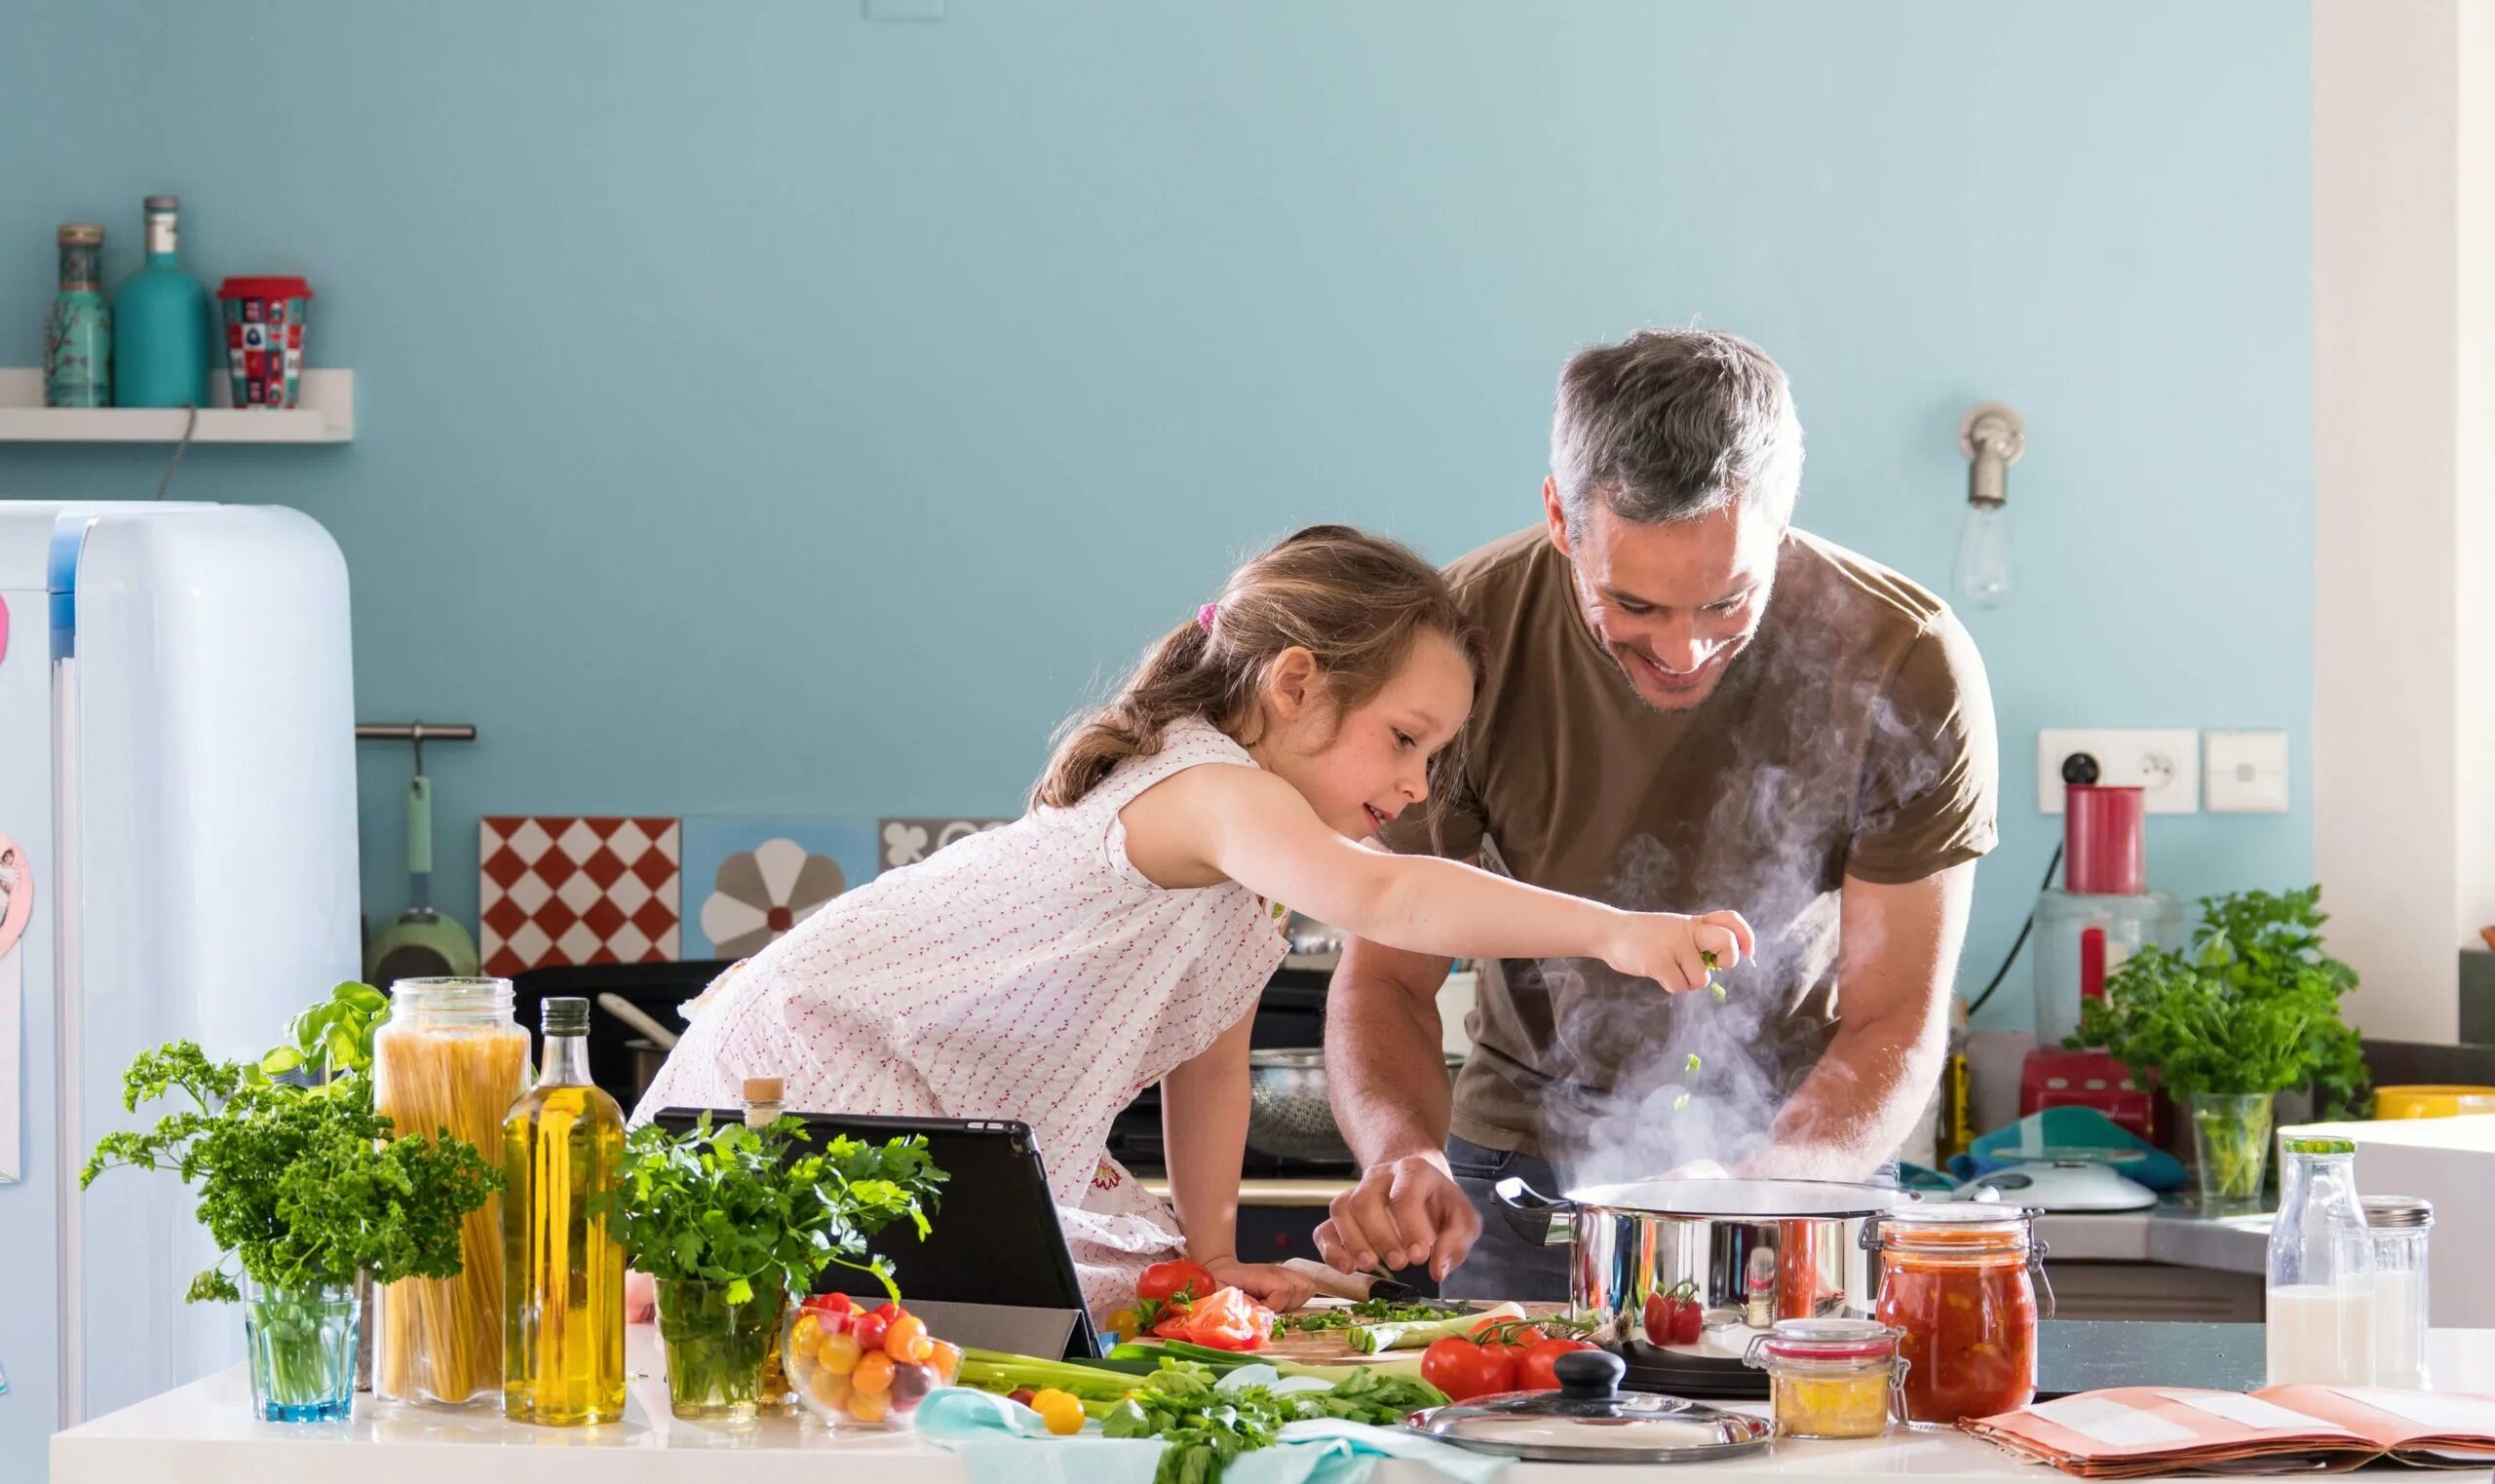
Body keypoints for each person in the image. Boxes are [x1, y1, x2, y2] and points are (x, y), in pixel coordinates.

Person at [633, 524, 1750, 1324]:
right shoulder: (1213, 790)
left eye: (1435, 757)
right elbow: (1387, 897)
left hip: (914, 1098)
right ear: (1296, 684)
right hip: (818, 1055)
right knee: (846, 1323)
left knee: (1101, 1296)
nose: (1418, 786)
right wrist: (1617, 932)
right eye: (1405, 739)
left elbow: (1205, 1070)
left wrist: (1212, 1251)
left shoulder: (1244, 873)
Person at [1317, 329, 2000, 1299]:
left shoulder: (1906, 659)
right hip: (1515, 1175)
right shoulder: (1459, 642)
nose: (1682, 652)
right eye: (1632, 606)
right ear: (1560, 517)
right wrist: (1400, 1155)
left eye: (1728, 603)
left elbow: (1894, 1021)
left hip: (1799, 1166)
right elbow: (1384, 974)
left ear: (1781, 520)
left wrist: (1764, 1193)